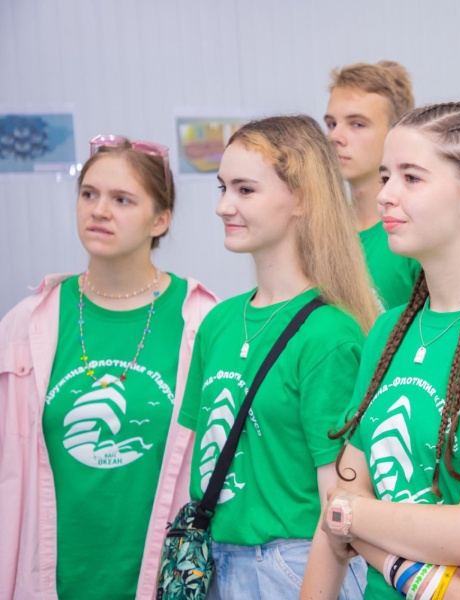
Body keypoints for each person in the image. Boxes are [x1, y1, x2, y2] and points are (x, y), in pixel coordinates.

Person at [300, 102, 460, 600]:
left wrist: (353, 520)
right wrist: (389, 552)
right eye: (385, 177)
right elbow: (340, 503)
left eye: (411, 178)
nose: (385, 195)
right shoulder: (390, 329)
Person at [0, 135, 217, 598]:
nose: (99, 211)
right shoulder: (27, 323)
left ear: (160, 219)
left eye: (122, 199)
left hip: (160, 581)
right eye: (89, 194)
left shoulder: (202, 321)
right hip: (49, 580)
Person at [177, 115, 379, 599]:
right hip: (214, 562)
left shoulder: (329, 334)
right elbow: (199, 462)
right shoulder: (218, 322)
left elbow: (340, 504)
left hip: (294, 567)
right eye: (223, 187)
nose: (223, 206)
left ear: (302, 198)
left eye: (245, 190)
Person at [325, 60, 420, 309]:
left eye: (357, 124)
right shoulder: (319, 233)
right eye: (331, 124)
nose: (335, 137)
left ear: (396, 133)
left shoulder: (417, 235)